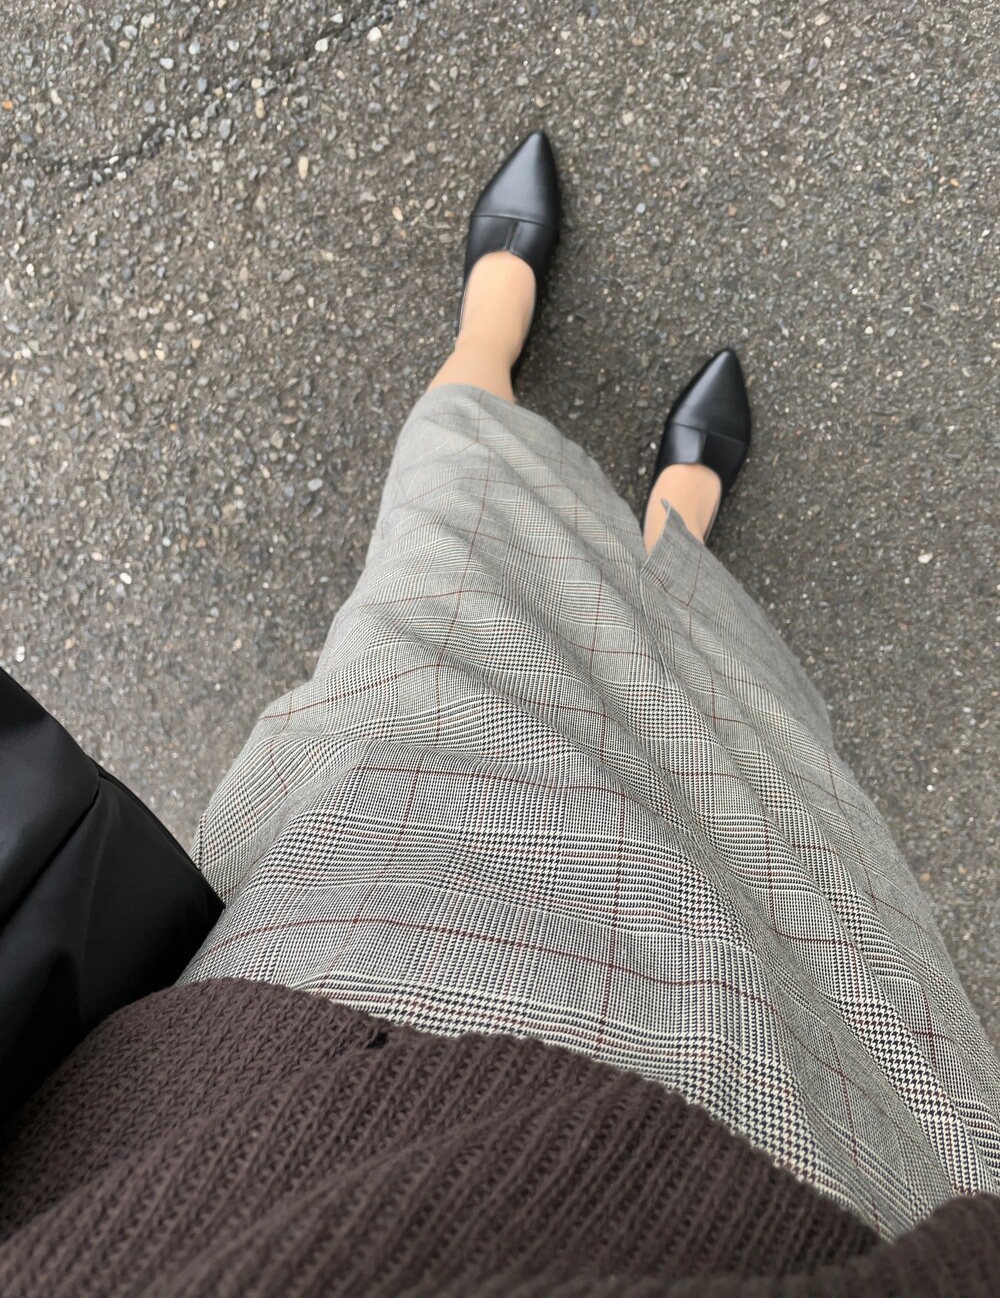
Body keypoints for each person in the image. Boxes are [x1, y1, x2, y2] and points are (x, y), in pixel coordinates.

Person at [1, 131, 997, 1295]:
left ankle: (487, 345)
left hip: (225, 1087)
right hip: (811, 1168)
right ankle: (672, 539)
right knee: (740, 781)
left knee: (444, 596)